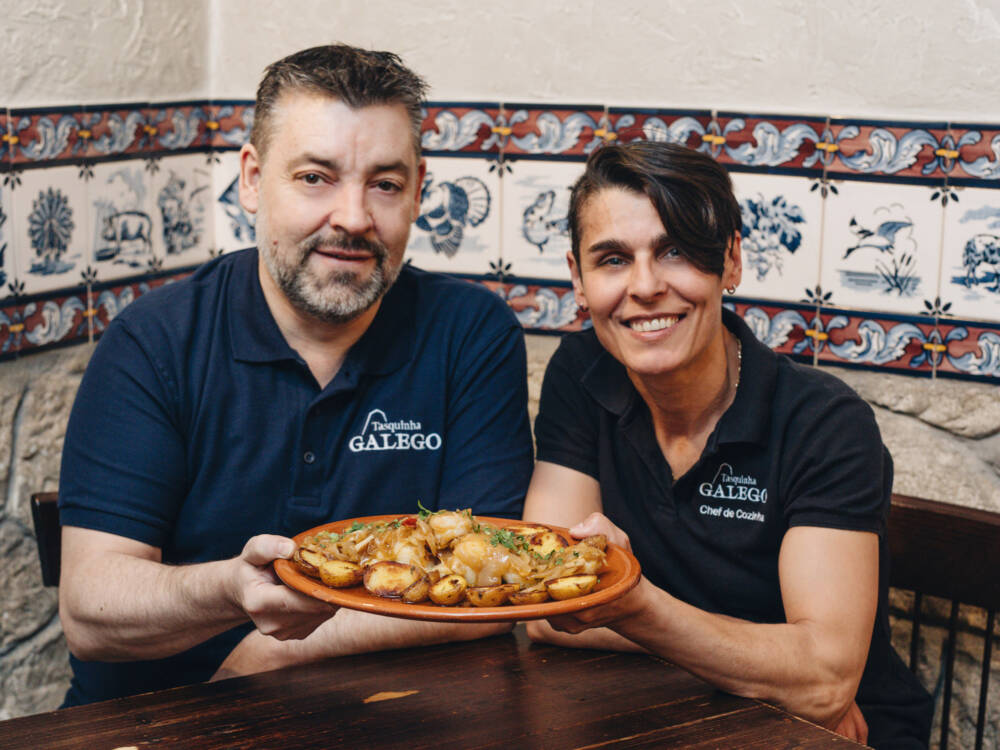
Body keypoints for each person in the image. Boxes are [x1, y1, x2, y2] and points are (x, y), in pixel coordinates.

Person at [57, 44, 533, 706]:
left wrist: (267, 653)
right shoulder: (155, 341)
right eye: (316, 177)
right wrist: (232, 590)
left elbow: (485, 587)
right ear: (252, 179)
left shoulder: (472, 335)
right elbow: (88, 613)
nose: (354, 217)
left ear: (420, 191)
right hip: (156, 723)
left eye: (385, 184)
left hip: (387, 723)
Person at [522, 141, 932, 749]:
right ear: (578, 280)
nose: (645, 285)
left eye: (677, 250)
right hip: (672, 712)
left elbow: (824, 686)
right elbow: (544, 608)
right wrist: (768, 668)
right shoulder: (582, 372)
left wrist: (633, 606)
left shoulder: (826, 421)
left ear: (732, 261)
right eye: (612, 259)